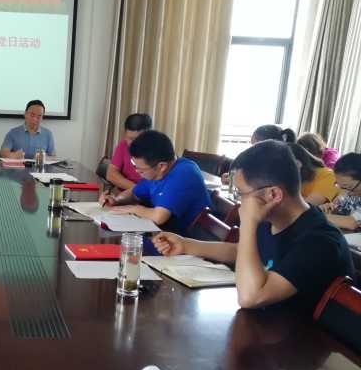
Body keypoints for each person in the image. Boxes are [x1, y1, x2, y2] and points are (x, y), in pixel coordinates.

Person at [153, 140, 354, 314]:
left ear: (273, 195)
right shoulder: (273, 219)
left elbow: (251, 297)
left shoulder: (318, 241)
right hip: (267, 328)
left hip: (300, 341)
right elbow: (241, 251)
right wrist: (186, 245)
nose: (240, 201)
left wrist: (248, 222)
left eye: (241, 193)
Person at [100, 130, 211, 234]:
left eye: (141, 170)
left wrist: (133, 209)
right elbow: (134, 193)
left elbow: (159, 217)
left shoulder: (183, 173)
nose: (137, 171)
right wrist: (116, 200)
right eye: (134, 166)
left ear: (161, 166)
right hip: (165, 233)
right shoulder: (158, 172)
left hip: (188, 239)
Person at [106, 113, 152, 190]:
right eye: (130, 138)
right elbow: (111, 174)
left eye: (138, 139)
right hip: (128, 193)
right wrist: (137, 189)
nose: (134, 143)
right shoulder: (123, 145)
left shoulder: (158, 149)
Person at [321, 152, 361, 231]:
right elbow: (336, 207)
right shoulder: (348, 194)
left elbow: (351, 222)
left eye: (349, 187)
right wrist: (328, 209)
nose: (347, 192)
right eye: (341, 186)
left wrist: (316, 215)